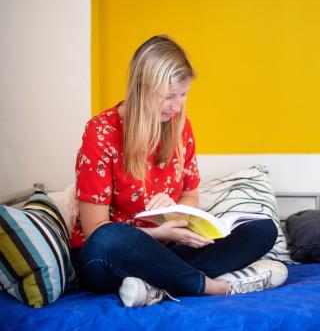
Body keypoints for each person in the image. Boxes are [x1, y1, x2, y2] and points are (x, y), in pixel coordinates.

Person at [72, 35, 288, 307]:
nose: (176, 106)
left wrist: (174, 213)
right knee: (110, 237)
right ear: (142, 89)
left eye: (183, 94)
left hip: (168, 250)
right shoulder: (101, 132)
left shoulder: (180, 127)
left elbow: (190, 193)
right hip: (111, 258)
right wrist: (159, 233)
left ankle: (155, 288)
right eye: (168, 96)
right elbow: (95, 231)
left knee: (263, 229)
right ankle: (214, 287)